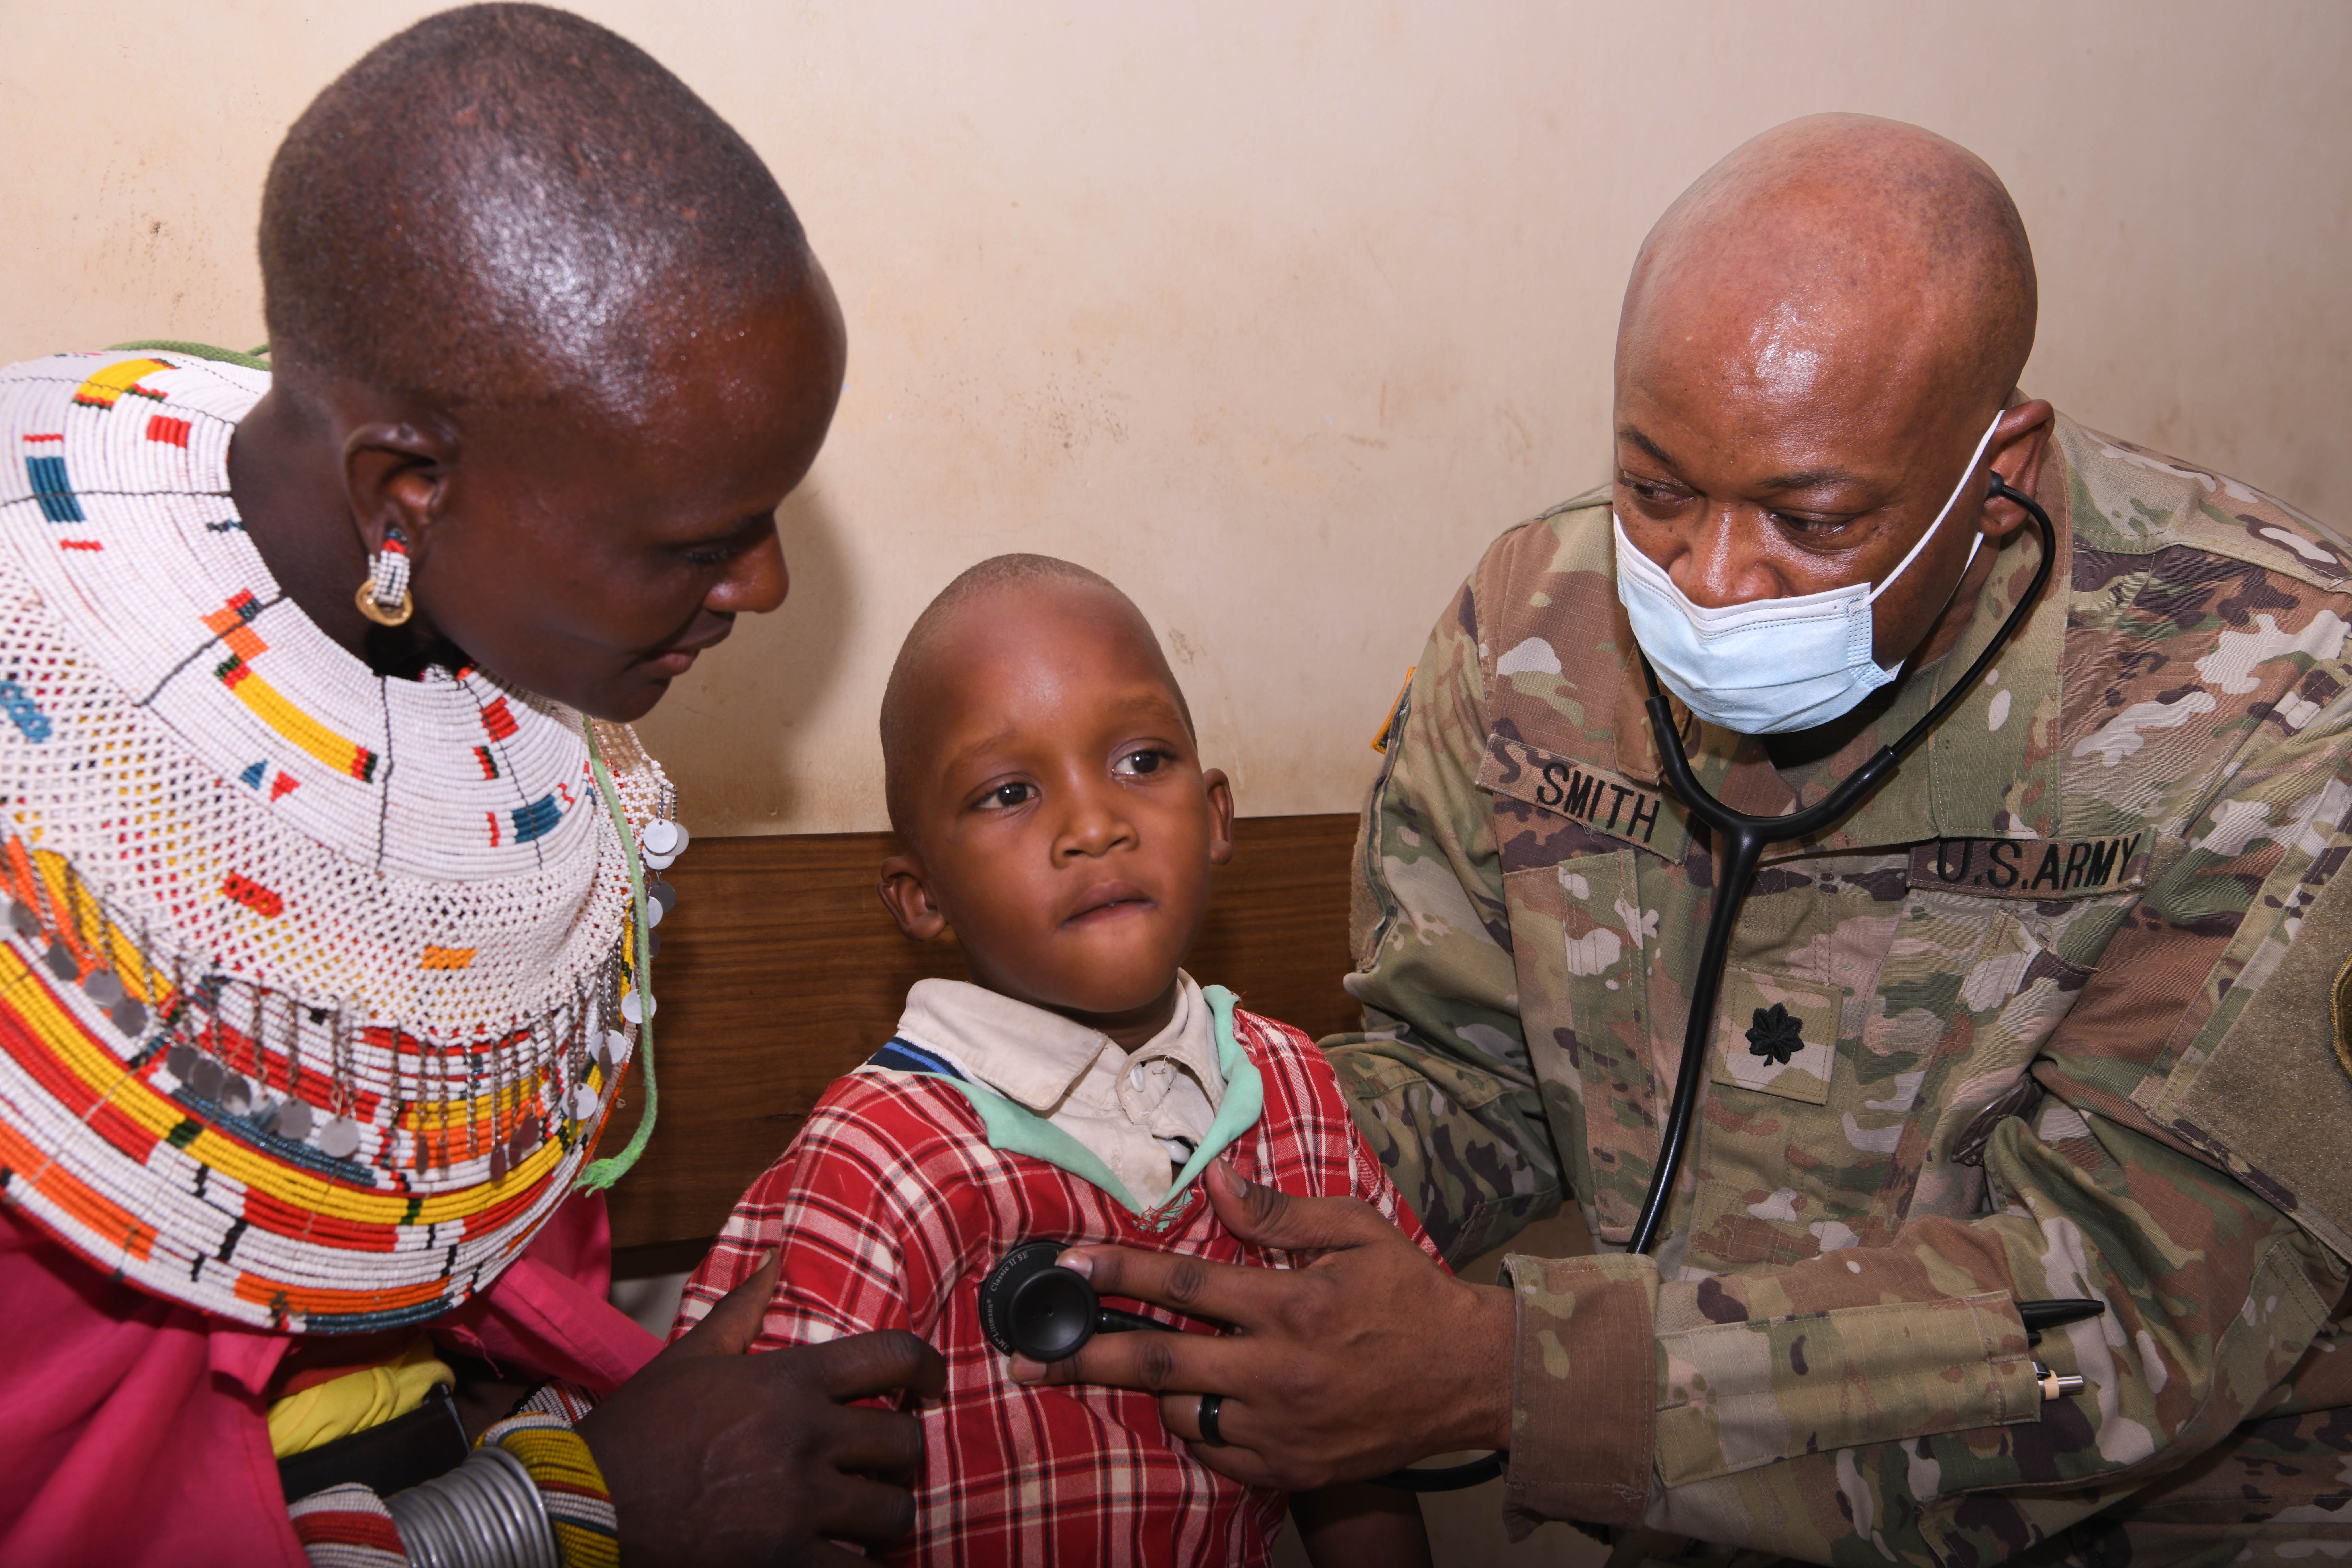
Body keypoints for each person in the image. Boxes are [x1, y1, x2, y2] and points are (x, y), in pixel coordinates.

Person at [1023, 115, 2352, 1564]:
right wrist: (1177, 1160)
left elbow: (2121, 1330)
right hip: (1686, 1507)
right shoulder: (1538, 629)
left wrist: (1510, 1373)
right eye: (1656, 489)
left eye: (1811, 515)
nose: (1712, 582)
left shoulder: (2281, 706)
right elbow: (1474, 1072)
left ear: (1995, 460)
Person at [0, 8, 944, 1566]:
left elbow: (459, 1280)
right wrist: (578, 1510)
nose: (764, 587)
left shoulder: (516, 742)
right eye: (699, 541)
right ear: (407, 491)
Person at [673, 555, 1433, 1566]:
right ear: (922, 895)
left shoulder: (1289, 1090)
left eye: (1141, 761)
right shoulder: (880, 1162)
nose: (1095, 826)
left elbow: (1362, 1437)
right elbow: (760, 1501)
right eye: (1011, 791)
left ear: (1216, 817)